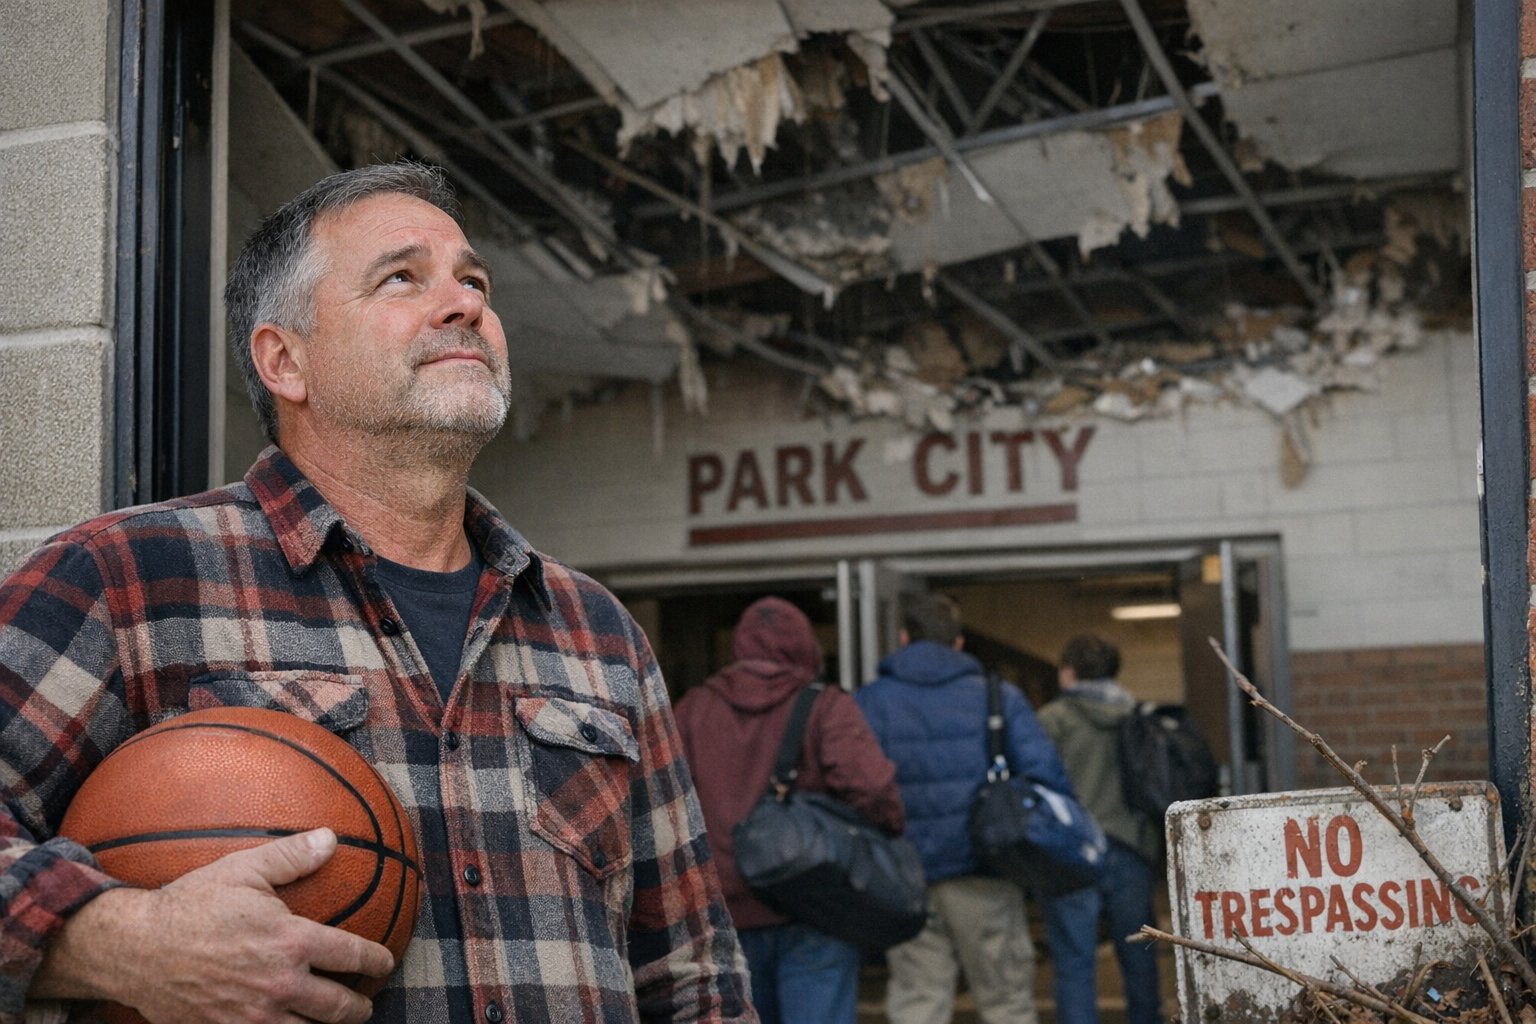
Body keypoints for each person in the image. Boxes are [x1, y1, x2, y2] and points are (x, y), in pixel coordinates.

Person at [0, 163, 755, 1024]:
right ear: (286, 360)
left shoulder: (597, 630)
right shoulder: (130, 578)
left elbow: (694, 976)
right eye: (402, 278)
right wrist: (118, 941)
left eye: (474, 281)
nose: (464, 304)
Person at [674, 596, 904, 1024]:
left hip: (723, 918)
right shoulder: (825, 706)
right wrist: (884, 833)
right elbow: (872, 789)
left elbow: (659, 808)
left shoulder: (691, 709)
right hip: (813, 906)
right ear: (805, 647)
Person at [854, 594, 1071, 1024]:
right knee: (1006, 1001)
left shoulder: (869, 701)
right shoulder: (997, 697)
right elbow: (1048, 778)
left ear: (902, 638)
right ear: (958, 642)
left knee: (918, 1001)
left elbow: (852, 786)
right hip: (984, 871)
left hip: (905, 877)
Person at [1037, 634, 1162, 1024]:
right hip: (1130, 848)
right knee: (1139, 956)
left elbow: (1035, 784)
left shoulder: (1051, 721)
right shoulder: (1137, 717)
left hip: (1070, 853)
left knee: (1075, 960)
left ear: (1069, 673)